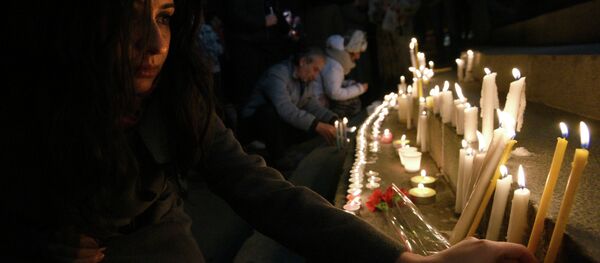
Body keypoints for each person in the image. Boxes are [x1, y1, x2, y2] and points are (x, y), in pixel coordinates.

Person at [3, 0, 536, 262]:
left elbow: (260, 190)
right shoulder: (30, 111)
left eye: (165, 15)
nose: (152, 42)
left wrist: (408, 260)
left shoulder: (175, 101)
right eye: (126, 15)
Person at [239, 47, 337, 169]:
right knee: (268, 111)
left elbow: (311, 104)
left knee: (310, 123)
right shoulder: (277, 74)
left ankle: (288, 149)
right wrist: (317, 125)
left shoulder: (305, 79)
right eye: (315, 69)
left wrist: (333, 119)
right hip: (254, 124)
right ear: (303, 62)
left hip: (278, 125)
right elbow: (284, 108)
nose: (316, 76)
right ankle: (279, 159)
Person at [315, 30, 369, 117]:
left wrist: (349, 83)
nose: (358, 57)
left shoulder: (334, 59)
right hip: (320, 103)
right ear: (352, 50)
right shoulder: (335, 66)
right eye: (358, 53)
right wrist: (359, 89)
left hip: (323, 97)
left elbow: (331, 82)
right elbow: (334, 93)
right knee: (354, 102)